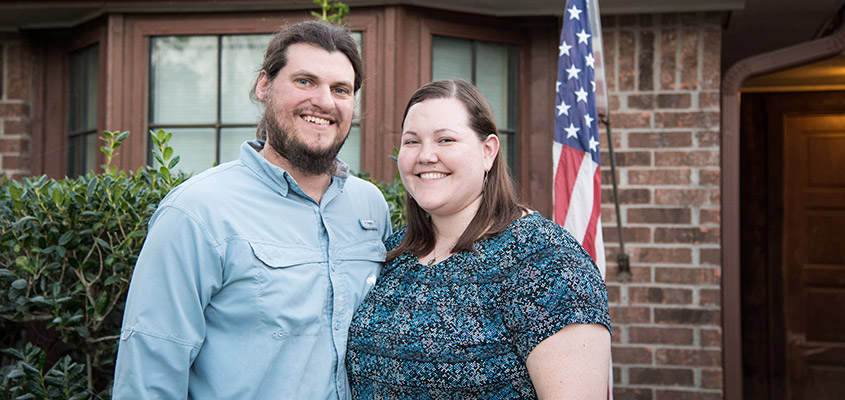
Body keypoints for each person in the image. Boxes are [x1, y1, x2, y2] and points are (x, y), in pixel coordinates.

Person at [113, 20, 391, 399]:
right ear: (264, 86)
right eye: (305, 81)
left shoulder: (369, 206)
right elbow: (149, 375)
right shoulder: (196, 212)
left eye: (340, 89)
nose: (325, 102)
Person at [346, 79, 611, 399]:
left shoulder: (548, 264)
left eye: (445, 139)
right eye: (412, 141)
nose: (426, 155)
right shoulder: (392, 254)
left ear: (488, 152)